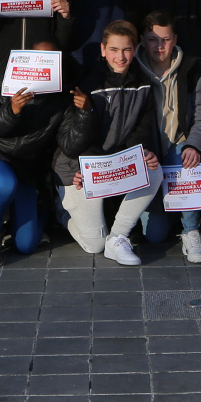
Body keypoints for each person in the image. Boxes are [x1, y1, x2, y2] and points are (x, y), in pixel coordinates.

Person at [58, 22, 164, 265]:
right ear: (103, 50)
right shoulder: (87, 83)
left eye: (126, 49)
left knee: (153, 169)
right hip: (79, 167)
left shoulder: (143, 83)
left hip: (113, 165)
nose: (121, 57)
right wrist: (85, 167)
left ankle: (118, 238)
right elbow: (74, 141)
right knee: (94, 244)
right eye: (114, 50)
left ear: (135, 50)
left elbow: (141, 129)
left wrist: (141, 153)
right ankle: (63, 213)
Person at [0, 48, 72, 267]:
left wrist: (85, 114)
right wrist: (12, 110)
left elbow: (70, 144)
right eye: (37, 60)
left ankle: (32, 212)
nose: (41, 66)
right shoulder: (7, 83)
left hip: (27, 167)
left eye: (48, 61)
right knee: (5, 183)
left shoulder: (63, 99)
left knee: (26, 245)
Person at [133, 13, 201, 263]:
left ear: (175, 39)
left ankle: (191, 231)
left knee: (188, 159)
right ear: (142, 40)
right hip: (148, 151)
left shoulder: (192, 69)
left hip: (179, 145)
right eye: (152, 39)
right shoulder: (133, 70)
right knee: (154, 235)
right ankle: (170, 211)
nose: (159, 46)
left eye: (166, 39)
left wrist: (195, 145)